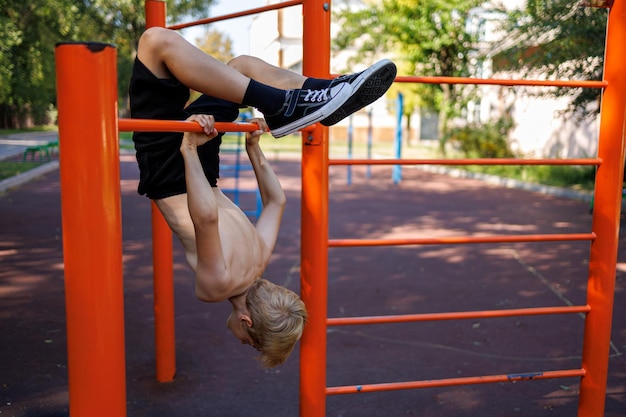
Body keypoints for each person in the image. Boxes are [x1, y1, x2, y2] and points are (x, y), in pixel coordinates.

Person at [129, 27, 396, 367]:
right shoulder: (216, 287)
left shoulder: (260, 257)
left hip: (202, 168)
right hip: (176, 169)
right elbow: (206, 218)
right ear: (248, 323)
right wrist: (189, 150)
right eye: (249, 345)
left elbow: (276, 202)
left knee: (240, 67)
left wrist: (254, 148)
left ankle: (303, 98)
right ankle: (301, 100)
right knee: (156, 43)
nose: (242, 343)